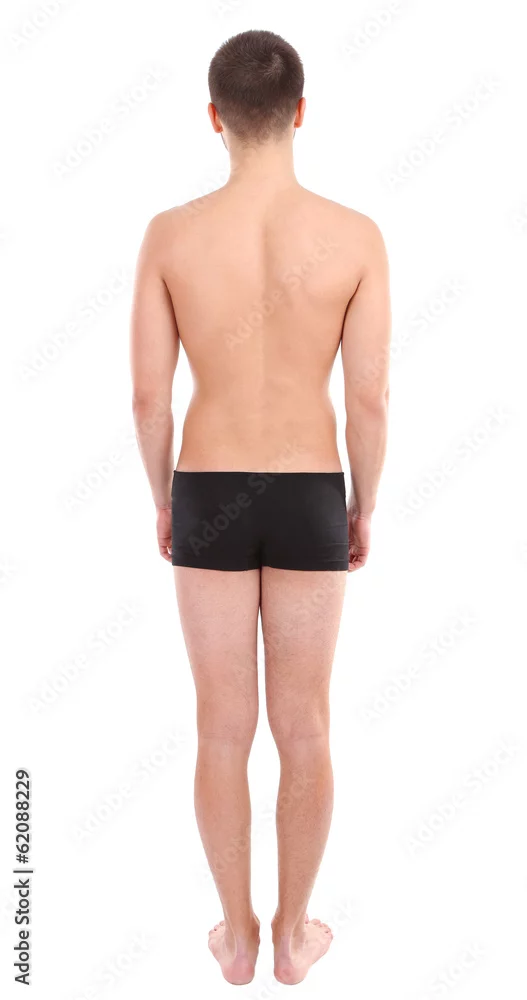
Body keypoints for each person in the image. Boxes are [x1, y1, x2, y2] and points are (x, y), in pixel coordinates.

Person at [130, 28, 390, 986]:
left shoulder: (170, 236)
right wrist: (362, 504)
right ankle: (291, 936)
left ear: (214, 118)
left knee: (220, 729)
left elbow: (148, 400)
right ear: (301, 113)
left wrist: (164, 499)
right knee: (306, 727)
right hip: (312, 489)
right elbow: (368, 399)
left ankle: (235, 936)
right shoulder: (354, 237)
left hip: (207, 488)